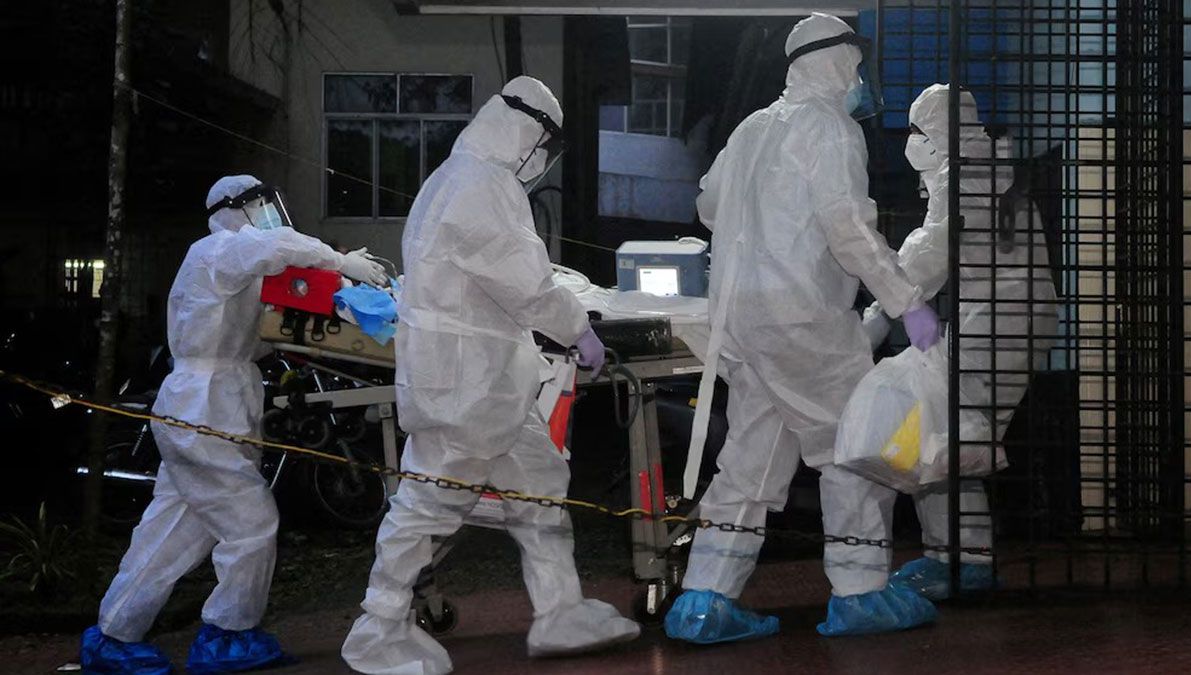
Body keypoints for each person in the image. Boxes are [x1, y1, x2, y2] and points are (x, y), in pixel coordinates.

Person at [341, 76, 640, 675]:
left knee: (540, 485)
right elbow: (525, 282)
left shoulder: (458, 177)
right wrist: (577, 329)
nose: (543, 160)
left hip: (489, 383)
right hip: (465, 387)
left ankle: (560, 611)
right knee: (429, 502)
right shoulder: (481, 183)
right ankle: (378, 627)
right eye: (545, 146)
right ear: (528, 134)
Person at [663, 13, 940, 645]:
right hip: (806, 321)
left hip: (742, 321)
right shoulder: (832, 129)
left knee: (749, 462)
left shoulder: (753, 126)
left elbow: (707, 204)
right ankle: (861, 594)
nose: (860, 80)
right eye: (856, 67)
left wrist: (761, 218)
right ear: (838, 63)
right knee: (854, 450)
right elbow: (849, 231)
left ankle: (704, 601)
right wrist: (905, 302)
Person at [80, 175, 387, 674]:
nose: (267, 213)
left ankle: (115, 633)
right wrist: (338, 260)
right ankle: (228, 635)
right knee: (251, 524)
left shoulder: (236, 268)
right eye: (260, 204)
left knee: (172, 533)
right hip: (203, 409)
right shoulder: (217, 250)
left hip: (209, 405)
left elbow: (257, 332)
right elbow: (276, 246)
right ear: (236, 208)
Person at [860, 84, 1058, 601]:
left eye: (915, 131)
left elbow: (929, 253)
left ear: (935, 133)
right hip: (1005, 319)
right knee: (947, 436)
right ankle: (951, 557)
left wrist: (880, 313)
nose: (909, 143)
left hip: (998, 321)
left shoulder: (964, 176)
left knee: (941, 438)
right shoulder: (985, 168)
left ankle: (965, 562)